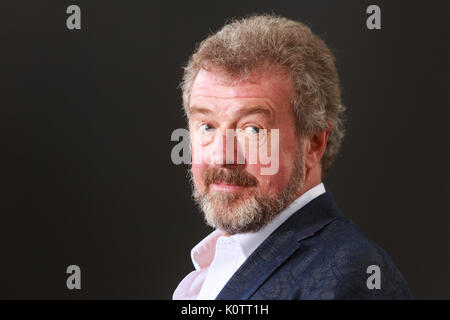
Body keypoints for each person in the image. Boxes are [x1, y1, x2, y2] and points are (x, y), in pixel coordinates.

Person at [173, 14, 412, 300]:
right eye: (208, 126)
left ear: (313, 144)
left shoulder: (353, 279)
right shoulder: (211, 270)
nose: (222, 156)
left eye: (252, 129)